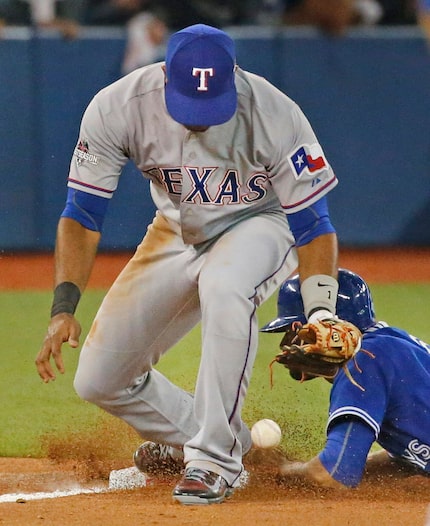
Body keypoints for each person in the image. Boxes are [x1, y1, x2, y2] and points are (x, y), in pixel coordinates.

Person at [35, 23, 343, 505]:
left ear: (233, 79)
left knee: (225, 288)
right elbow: (82, 214)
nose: (199, 119)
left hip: (261, 222)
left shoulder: (274, 112)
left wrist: (321, 310)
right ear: (163, 76)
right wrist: (63, 305)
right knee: (99, 379)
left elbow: (313, 224)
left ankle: (212, 461)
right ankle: (225, 442)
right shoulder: (119, 107)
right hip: (175, 227)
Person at [261, 268, 430, 489]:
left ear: (333, 328)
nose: (289, 343)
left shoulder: (363, 361)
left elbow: (333, 474)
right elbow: (410, 459)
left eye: (299, 330)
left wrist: (285, 471)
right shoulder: (391, 342)